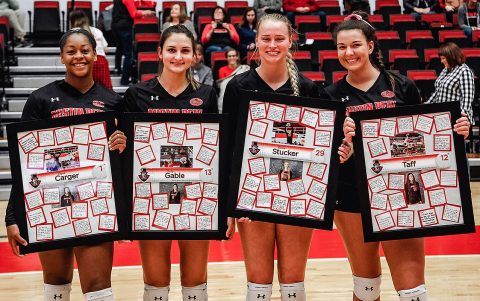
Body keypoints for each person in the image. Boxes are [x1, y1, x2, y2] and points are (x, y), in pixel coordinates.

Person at [324, 11, 470, 301]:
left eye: (355, 45)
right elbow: (328, 156)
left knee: (412, 290)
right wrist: (344, 147)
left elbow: (424, 137)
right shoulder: (329, 95)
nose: (348, 52)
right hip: (352, 197)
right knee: (366, 287)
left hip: (404, 193)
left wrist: (454, 131)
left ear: (370, 46)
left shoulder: (401, 86)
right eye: (342, 47)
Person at [5, 28, 126, 301]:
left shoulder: (113, 102)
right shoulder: (40, 100)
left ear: (95, 55)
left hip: (96, 206)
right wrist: (12, 217)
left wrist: (122, 144)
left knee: (97, 285)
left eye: (85, 50)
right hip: (50, 202)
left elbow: (123, 162)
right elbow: (23, 164)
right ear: (61, 57)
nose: (78, 56)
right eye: (71, 51)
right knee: (56, 282)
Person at [121, 25, 235, 301]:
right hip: (150, 199)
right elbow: (125, 156)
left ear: (195, 56)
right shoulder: (136, 94)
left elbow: (216, 152)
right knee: (155, 282)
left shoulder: (207, 95)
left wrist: (224, 207)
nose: (177, 56)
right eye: (171, 50)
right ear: (159, 53)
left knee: (195, 281)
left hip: (195, 197)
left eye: (185, 51)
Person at [223, 13, 328, 301]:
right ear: (255, 41)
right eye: (266, 39)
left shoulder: (308, 89)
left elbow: (322, 148)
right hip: (251, 195)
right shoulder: (237, 86)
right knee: (258, 285)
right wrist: (230, 205)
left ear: (291, 41)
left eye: (279, 39)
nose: (272, 45)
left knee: (293, 283)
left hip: (296, 193)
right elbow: (230, 147)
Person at [426, 42, 474, 123]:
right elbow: (438, 92)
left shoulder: (464, 71)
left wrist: (461, 116)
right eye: (441, 58)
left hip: (458, 120)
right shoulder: (445, 70)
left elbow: (467, 98)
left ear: (452, 57)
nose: (441, 61)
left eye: (443, 58)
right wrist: (425, 106)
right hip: (443, 117)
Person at [112, 0, 155, 85]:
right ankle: (124, 80)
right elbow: (134, 13)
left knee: (119, 48)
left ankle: (118, 69)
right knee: (129, 55)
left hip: (115, 26)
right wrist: (146, 12)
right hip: (125, 26)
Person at [70, 9, 113, 89]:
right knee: (105, 90)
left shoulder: (72, 33)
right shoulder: (97, 31)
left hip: (83, 61)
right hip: (100, 60)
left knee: (84, 90)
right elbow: (105, 49)